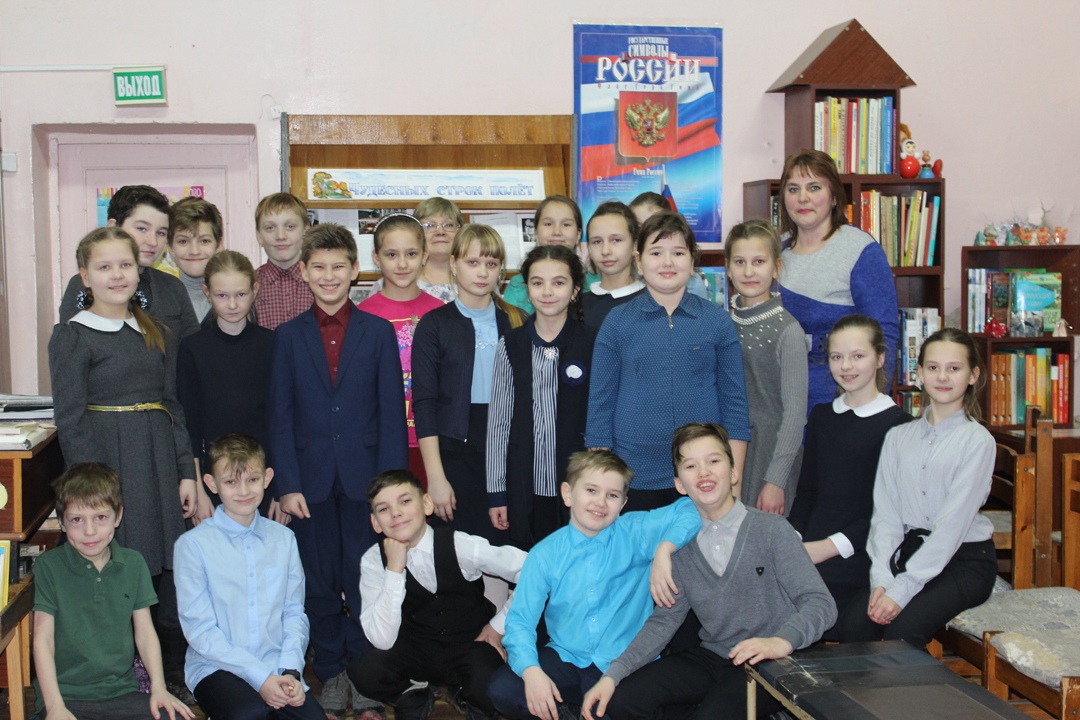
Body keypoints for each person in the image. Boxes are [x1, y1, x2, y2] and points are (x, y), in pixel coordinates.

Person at [581, 423, 836, 720]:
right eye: (691, 466)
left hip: (772, 659)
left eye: (713, 461)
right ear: (680, 484)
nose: (703, 472)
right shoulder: (680, 545)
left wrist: (782, 641)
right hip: (715, 656)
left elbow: (820, 603)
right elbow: (664, 620)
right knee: (623, 700)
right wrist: (613, 675)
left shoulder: (771, 530)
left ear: (733, 472)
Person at [49, 226, 198, 699]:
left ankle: (166, 674)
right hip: (108, 463)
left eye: (125, 265)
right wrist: (93, 493)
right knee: (116, 566)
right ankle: (118, 675)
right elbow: (70, 417)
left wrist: (185, 470)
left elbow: (171, 403)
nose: (117, 275)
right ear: (85, 276)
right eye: (104, 267)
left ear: (139, 272)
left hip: (157, 459)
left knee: (159, 570)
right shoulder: (72, 336)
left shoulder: (155, 331)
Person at [268, 223, 408, 719]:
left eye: (338, 267)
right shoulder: (288, 336)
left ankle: (365, 676)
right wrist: (287, 485)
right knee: (320, 582)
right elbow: (280, 416)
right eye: (319, 268)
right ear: (304, 272)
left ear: (355, 271)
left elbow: (391, 414)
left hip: (365, 482)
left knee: (364, 578)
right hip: (309, 485)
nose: (329, 276)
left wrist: (390, 493)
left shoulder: (378, 332)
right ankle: (330, 671)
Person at [487, 450, 700, 720]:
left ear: (623, 503)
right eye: (591, 490)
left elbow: (690, 508)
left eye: (612, 495)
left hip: (623, 662)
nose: (600, 502)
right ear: (568, 494)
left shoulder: (636, 532)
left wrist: (664, 549)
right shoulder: (545, 554)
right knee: (504, 690)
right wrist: (531, 671)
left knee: (623, 709)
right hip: (567, 656)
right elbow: (520, 622)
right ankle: (567, 711)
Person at [837, 328, 997, 648]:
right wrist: (882, 580)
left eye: (954, 368)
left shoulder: (977, 442)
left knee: (902, 632)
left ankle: (915, 685)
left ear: (973, 375)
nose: (943, 377)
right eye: (933, 367)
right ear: (920, 374)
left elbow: (951, 529)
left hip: (964, 560)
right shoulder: (898, 437)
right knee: (853, 626)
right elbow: (886, 517)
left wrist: (901, 591)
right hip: (909, 553)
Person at [585, 211, 750, 512]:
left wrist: (733, 481)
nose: (667, 262)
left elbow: (735, 406)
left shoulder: (717, 321)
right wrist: (603, 483)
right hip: (633, 472)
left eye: (678, 253)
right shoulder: (617, 322)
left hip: (703, 474)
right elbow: (600, 407)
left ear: (692, 260)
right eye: (656, 253)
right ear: (639, 261)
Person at [349, 470, 528, 720]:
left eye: (405, 501)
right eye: (383, 509)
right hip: (417, 649)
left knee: (489, 683)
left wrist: (499, 625)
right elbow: (382, 640)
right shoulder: (372, 560)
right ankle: (413, 693)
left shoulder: (461, 545)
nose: (396, 513)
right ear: (375, 522)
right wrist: (394, 571)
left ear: (427, 504)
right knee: (365, 672)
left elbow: (534, 572)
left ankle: (471, 698)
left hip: (471, 644)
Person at [173, 434, 324, 720]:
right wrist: (260, 678)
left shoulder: (284, 539)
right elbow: (200, 630)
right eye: (231, 482)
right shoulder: (193, 546)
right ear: (211, 484)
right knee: (250, 715)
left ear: (267, 478)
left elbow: (294, 612)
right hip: (216, 667)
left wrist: (290, 670)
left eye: (252, 480)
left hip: (276, 664)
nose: (243, 491)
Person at [32, 462, 194, 720]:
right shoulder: (48, 566)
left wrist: (159, 688)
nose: (90, 531)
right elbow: (43, 640)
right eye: (76, 520)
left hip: (122, 693)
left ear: (118, 516)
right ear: (62, 522)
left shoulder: (133, 563)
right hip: (66, 697)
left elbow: (145, 633)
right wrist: (54, 707)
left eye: (100, 518)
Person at [788, 315, 913, 629]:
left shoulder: (899, 426)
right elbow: (807, 491)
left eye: (858, 356)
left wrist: (826, 548)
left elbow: (890, 514)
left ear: (880, 358)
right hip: (812, 546)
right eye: (836, 357)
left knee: (818, 610)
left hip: (865, 551)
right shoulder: (822, 416)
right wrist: (793, 539)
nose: (846, 366)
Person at [412, 224, 523, 542]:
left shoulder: (517, 321)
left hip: (506, 448)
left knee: (508, 546)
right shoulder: (434, 325)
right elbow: (424, 404)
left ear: (501, 270)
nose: (482, 272)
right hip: (454, 451)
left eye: (491, 263)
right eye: (472, 262)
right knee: (460, 549)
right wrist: (436, 477)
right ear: (453, 264)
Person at [487, 244, 595, 548]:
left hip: (578, 483)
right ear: (527, 289)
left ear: (575, 290)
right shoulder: (511, 344)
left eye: (558, 282)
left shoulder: (593, 342)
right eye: (537, 283)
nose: (547, 292)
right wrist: (497, 492)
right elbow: (498, 424)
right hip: (524, 485)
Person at [777, 148, 900, 411]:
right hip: (779, 401)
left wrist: (870, 410)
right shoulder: (774, 251)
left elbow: (884, 335)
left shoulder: (860, 250)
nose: (803, 198)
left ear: (834, 196)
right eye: (793, 189)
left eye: (814, 187)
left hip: (840, 403)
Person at [177, 250, 277, 522]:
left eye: (241, 294)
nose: (232, 304)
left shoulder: (272, 345)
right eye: (222, 296)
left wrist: (280, 489)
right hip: (213, 481)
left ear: (255, 290)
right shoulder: (193, 349)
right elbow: (189, 426)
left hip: (263, 478)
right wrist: (199, 487)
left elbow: (281, 420)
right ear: (207, 293)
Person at [725, 220, 807, 515]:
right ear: (728, 269)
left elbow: (795, 415)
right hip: (726, 452)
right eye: (740, 262)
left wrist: (776, 480)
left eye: (759, 262)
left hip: (770, 457)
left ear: (776, 268)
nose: (749, 272)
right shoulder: (721, 324)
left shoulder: (788, 330)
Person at [358, 214, 445, 483]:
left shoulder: (441, 313)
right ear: (376, 257)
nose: (403, 264)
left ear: (424, 256)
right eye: (392, 254)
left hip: (434, 442)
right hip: (381, 443)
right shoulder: (361, 316)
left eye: (411, 254)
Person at [58, 184, 200, 341]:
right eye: (142, 229)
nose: (153, 241)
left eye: (161, 233)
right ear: (113, 227)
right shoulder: (86, 286)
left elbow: (193, 346)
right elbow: (73, 345)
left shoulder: (172, 287)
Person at [504, 196, 598, 314]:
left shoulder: (596, 285)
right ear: (536, 232)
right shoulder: (518, 285)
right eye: (548, 224)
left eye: (566, 224)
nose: (557, 232)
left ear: (579, 234)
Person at [254, 192, 313, 330]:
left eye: (290, 227)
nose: (280, 236)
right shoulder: (250, 285)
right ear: (259, 236)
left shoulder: (320, 281)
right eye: (270, 228)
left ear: (306, 230)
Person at [581, 201, 644, 331]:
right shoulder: (578, 305)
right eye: (597, 241)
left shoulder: (652, 302)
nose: (605, 251)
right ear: (589, 247)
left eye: (616, 240)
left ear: (635, 245)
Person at [166, 196, 223, 322]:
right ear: (170, 247)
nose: (194, 251)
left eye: (204, 241)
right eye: (183, 241)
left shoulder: (236, 298)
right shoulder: (161, 300)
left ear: (219, 245)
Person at [414, 197, 465, 303]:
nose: (440, 232)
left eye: (448, 225)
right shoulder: (403, 283)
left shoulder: (478, 279)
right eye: (430, 225)